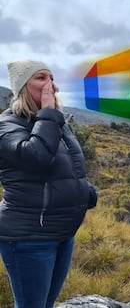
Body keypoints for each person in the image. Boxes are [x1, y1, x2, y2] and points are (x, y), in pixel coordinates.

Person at [0, 60, 97, 308]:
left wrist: (84, 191)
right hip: (28, 237)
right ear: (22, 87)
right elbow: (37, 158)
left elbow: (69, 165)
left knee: (46, 304)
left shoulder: (56, 122)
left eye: (52, 78)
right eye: (41, 78)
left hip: (62, 233)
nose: (50, 85)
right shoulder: (7, 125)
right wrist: (49, 114)